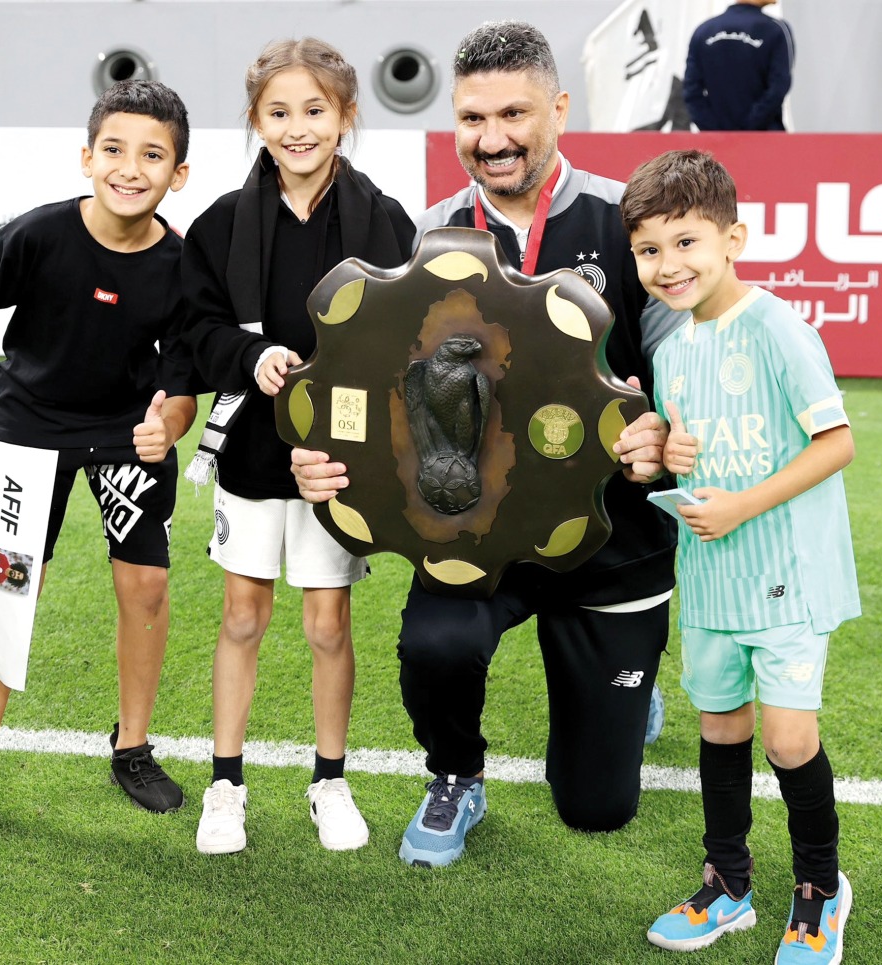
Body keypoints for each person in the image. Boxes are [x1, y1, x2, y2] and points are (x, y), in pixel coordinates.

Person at [292, 20, 684, 868]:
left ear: (560, 109)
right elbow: (372, 382)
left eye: (515, 113)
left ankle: (632, 685)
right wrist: (324, 455)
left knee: (595, 808)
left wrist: (662, 429)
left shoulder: (626, 221)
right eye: (473, 118)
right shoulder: (432, 236)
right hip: (470, 526)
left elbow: (686, 363)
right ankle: (457, 774)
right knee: (436, 644)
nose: (493, 139)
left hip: (610, 538)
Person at [0, 80, 198, 850]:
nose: (130, 167)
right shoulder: (40, 236)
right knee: (11, 590)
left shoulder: (183, 267)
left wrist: (167, 424)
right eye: (114, 149)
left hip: (126, 430)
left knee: (144, 582)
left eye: (153, 155)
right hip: (29, 426)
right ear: (88, 157)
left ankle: (133, 746)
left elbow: (182, 384)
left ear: (177, 174)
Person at [620, 149, 859, 963]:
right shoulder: (674, 348)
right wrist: (658, 460)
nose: (667, 265)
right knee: (721, 726)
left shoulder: (780, 328)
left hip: (784, 572)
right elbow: (688, 450)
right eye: (649, 249)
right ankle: (728, 882)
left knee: (789, 739)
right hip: (713, 575)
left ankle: (821, 889)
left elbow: (837, 442)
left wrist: (743, 504)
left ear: (735, 238)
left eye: (686, 242)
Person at [179, 37, 415, 855]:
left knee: (326, 622)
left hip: (339, 457)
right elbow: (197, 331)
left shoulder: (384, 220)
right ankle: (225, 783)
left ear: (346, 116)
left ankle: (330, 778)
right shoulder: (220, 224)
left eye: (314, 110)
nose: (297, 127)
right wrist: (251, 357)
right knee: (242, 615)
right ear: (255, 121)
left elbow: (409, 347)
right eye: (278, 113)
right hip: (250, 448)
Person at [683, 0, 794, 131]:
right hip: (765, 139)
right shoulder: (776, 29)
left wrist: (715, 130)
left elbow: (691, 91)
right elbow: (779, 86)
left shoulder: (703, 30)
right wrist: (748, 127)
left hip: (717, 144)